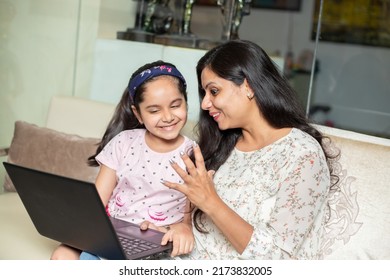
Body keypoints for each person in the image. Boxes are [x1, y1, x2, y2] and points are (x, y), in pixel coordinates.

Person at [161, 39, 339, 259]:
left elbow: (277, 258)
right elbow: (198, 229)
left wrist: (211, 202)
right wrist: (178, 228)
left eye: (214, 91)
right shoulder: (222, 145)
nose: (205, 104)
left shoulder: (303, 155)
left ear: (248, 86)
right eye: (204, 93)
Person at [50, 60, 195, 260]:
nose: (168, 116)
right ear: (138, 114)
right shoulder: (124, 142)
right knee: (62, 256)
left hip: (158, 245)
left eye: (176, 105)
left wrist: (181, 228)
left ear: (186, 102)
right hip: (112, 238)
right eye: (154, 111)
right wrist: (78, 233)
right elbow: (97, 201)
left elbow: (191, 218)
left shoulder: (194, 153)